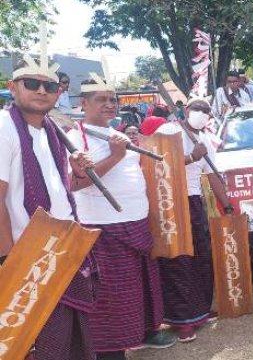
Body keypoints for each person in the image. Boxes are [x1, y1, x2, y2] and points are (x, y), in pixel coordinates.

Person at [68, 76, 175, 360]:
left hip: (137, 224)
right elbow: (73, 184)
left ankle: (144, 334)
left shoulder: (120, 134)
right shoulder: (74, 138)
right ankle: (110, 353)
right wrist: (115, 156)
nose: (108, 104)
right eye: (100, 99)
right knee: (112, 299)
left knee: (138, 290)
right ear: (84, 103)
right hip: (104, 229)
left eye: (112, 99)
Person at [0, 55, 97, 359]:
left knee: (68, 337)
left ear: (58, 92)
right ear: (12, 87)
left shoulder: (51, 131)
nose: (41, 90)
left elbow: (62, 192)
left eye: (50, 86)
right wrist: (7, 259)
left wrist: (78, 175)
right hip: (29, 258)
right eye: (32, 83)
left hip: (63, 250)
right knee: (40, 343)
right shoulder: (4, 127)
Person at [156, 97, 234, 342]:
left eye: (207, 111)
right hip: (168, 202)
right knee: (178, 260)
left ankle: (199, 312)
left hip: (193, 202)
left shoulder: (205, 139)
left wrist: (228, 206)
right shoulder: (168, 131)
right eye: (198, 108)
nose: (202, 113)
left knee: (201, 255)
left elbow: (213, 177)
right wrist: (190, 157)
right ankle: (181, 321)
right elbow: (155, 164)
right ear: (186, 110)